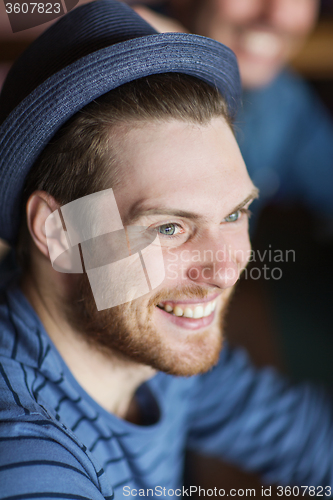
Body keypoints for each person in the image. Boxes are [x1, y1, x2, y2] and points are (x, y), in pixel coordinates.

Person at [1, 2, 333, 499]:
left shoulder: (151, 343)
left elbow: (305, 438)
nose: (224, 268)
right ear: (60, 232)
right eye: (170, 227)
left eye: (234, 214)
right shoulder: (26, 457)